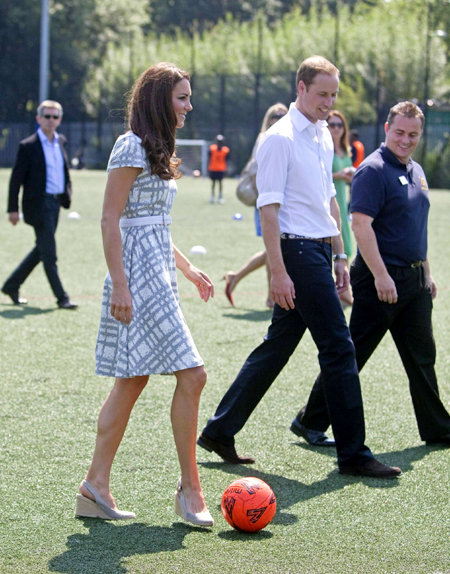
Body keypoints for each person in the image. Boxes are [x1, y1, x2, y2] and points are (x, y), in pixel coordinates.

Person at [197, 56, 401, 479]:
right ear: (301, 89)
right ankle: (354, 455)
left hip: (319, 253)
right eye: (322, 93)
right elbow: (268, 210)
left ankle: (219, 430)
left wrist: (341, 254)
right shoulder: (279, 138)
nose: (329, 102)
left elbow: (328, 199)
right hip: (295, 254)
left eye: (334, 95)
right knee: (339, 347)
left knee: (278, 345)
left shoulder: (323, 135)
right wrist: (278, 272)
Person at [76, 63, 215, 527]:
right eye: (181, 98)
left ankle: (95, 486)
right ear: (158, 99)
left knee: (132, 381)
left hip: (160, 272)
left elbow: (152, 221)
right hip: (135, 277)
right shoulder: (129, 145)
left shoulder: (159, 147)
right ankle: (191, 489)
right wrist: (120, 283)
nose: (189, 106)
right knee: (193, 375)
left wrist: (188, 267)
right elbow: (110, 219)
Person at [292, 101, 450, 448]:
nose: (406, 140)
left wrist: (427, 272)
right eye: (400, 132)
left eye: (413, 134)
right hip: (380, 279)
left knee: (423, 357)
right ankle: (309, 420)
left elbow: (416, 228)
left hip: (414, 281)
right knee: (354, 355)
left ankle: (439, 428)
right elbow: (360, 225)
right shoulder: (373, 170)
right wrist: (381, 275)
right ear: (386, 129)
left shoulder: (417, 171)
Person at [2, 100, 77, 309]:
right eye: (47, 116)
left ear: (59, 120)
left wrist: (67, 194)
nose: (51, 120)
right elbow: (16, 180)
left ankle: (11, 285)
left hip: (55, 204)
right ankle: (62, 297)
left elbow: (64, 172)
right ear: (39, 119)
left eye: (55, 117)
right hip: (38, 205)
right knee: (49, 254)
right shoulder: (28, 146)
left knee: (42, 250)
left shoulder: (61, 141)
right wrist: (13, 209)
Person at [224, 103, 288, 308]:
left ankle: (235, 277)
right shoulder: (265, 138)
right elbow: (255, 172)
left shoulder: (286, 138)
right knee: (273, 249)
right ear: (267, 120)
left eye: (283, 115)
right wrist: (266, 201)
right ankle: (271, 297)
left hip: (279, 202)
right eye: (274, 116)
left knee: (272, 249)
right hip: (268, 202)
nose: (278, 118)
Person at [328, 110, 354, 306]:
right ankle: (335, 291)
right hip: (328, 200)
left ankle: (342, 287)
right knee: (332, 244)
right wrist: (340, 175)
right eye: (332, 124)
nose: (336, 128)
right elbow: (319, 176)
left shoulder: (345, 149)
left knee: (345, 243)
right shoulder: (324, 147)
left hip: (342, 201)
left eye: (339, 124)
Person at [208, 134, 229, 204]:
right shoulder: (212, 149)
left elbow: (226, 160)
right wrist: (208, 167)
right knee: (213, 183)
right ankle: (212, 196)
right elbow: (209, 158)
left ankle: (220, 197)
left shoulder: (225, 150)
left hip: (221, 169)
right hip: (213, 168)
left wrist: (226, 168)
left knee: (220, 183)